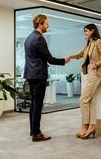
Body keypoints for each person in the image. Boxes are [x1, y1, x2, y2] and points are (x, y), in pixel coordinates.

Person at [24, 14, 70, 142]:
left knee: (33, 104)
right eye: (46, 23)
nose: (48, 25)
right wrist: (64, 60)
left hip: (30, 75)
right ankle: (37, 134)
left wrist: (44, 63)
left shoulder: (29, 38)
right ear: (40, 24)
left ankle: (33, 131)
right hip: (38, 76)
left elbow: (35, 58)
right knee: (37, 105)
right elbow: (50, 58)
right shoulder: (39, 39)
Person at [68, 23, 101, 140]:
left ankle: (86, 127)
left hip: (96, 73)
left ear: (92, 31)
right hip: (89, 74)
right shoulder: (89, 43)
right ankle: (91, 127)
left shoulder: (98, 42)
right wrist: (70, 57)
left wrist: (97, 64)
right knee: (90, 101)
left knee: (83, 100)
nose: (85, 33)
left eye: (86, 31)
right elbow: (81, 54)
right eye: (84, 31)